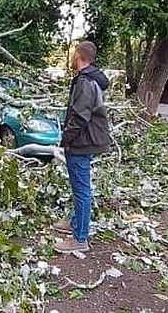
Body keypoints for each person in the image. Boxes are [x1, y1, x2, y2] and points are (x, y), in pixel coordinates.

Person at [54, 41, 111, 253]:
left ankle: (79, 239)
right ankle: (75, 224)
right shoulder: (89, 79)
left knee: (82, 190)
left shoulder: (86, 82)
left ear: (78, 55)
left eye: (73, 53)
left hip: (82, 141)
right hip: (86, 140)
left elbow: (80, 116)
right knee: (80, 188)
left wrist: (66, 139)